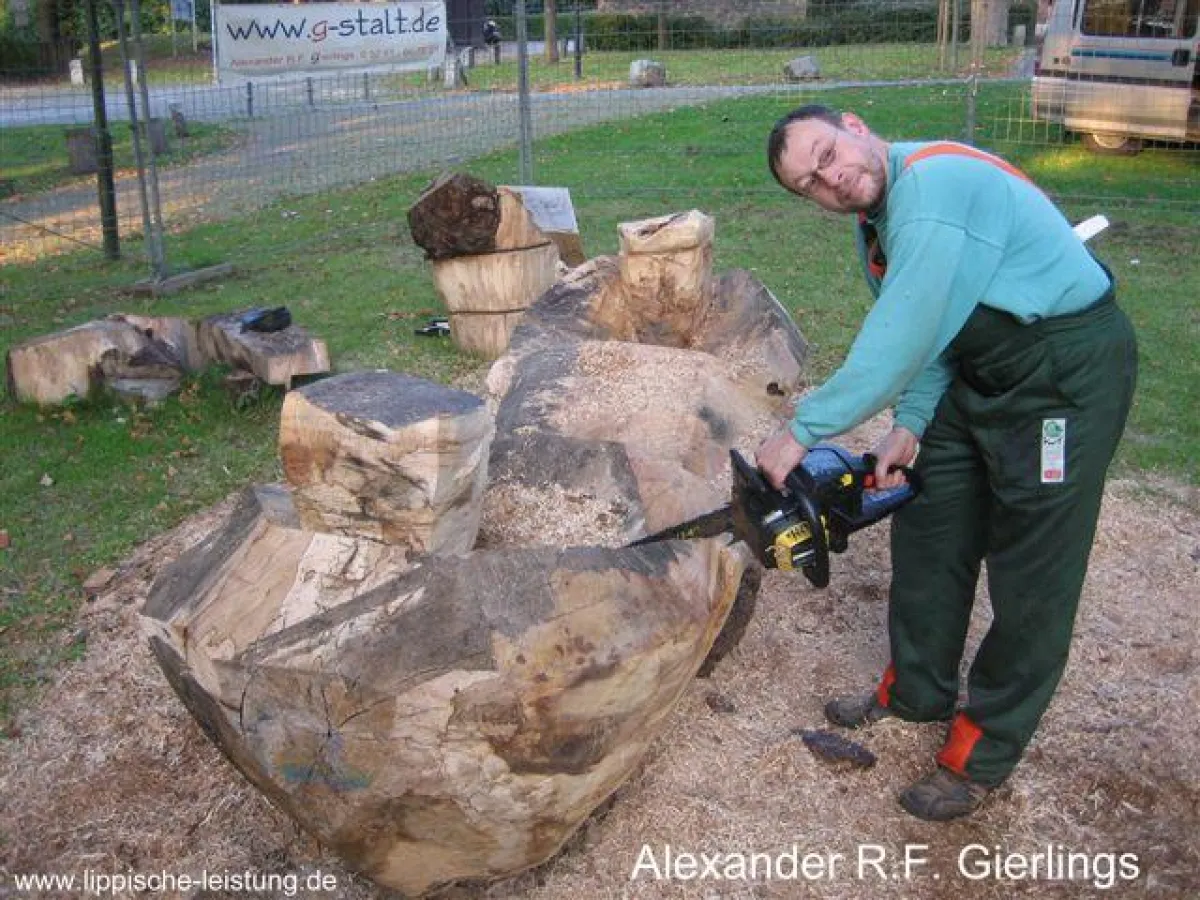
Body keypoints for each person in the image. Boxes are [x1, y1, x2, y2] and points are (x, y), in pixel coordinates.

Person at [757, 105, 1137, 821]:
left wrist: (802, 429)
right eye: (813, 181)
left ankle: (980, 752)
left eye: (830, 153)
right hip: (980, 369)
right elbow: (941, 328)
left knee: (1034, 568)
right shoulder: (875, 226)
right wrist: (911, 423)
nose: (835, 177)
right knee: (928, 521)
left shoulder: (932, 188)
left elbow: (902, 330)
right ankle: (916, 690)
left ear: (856, 125)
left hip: (1061, 372)